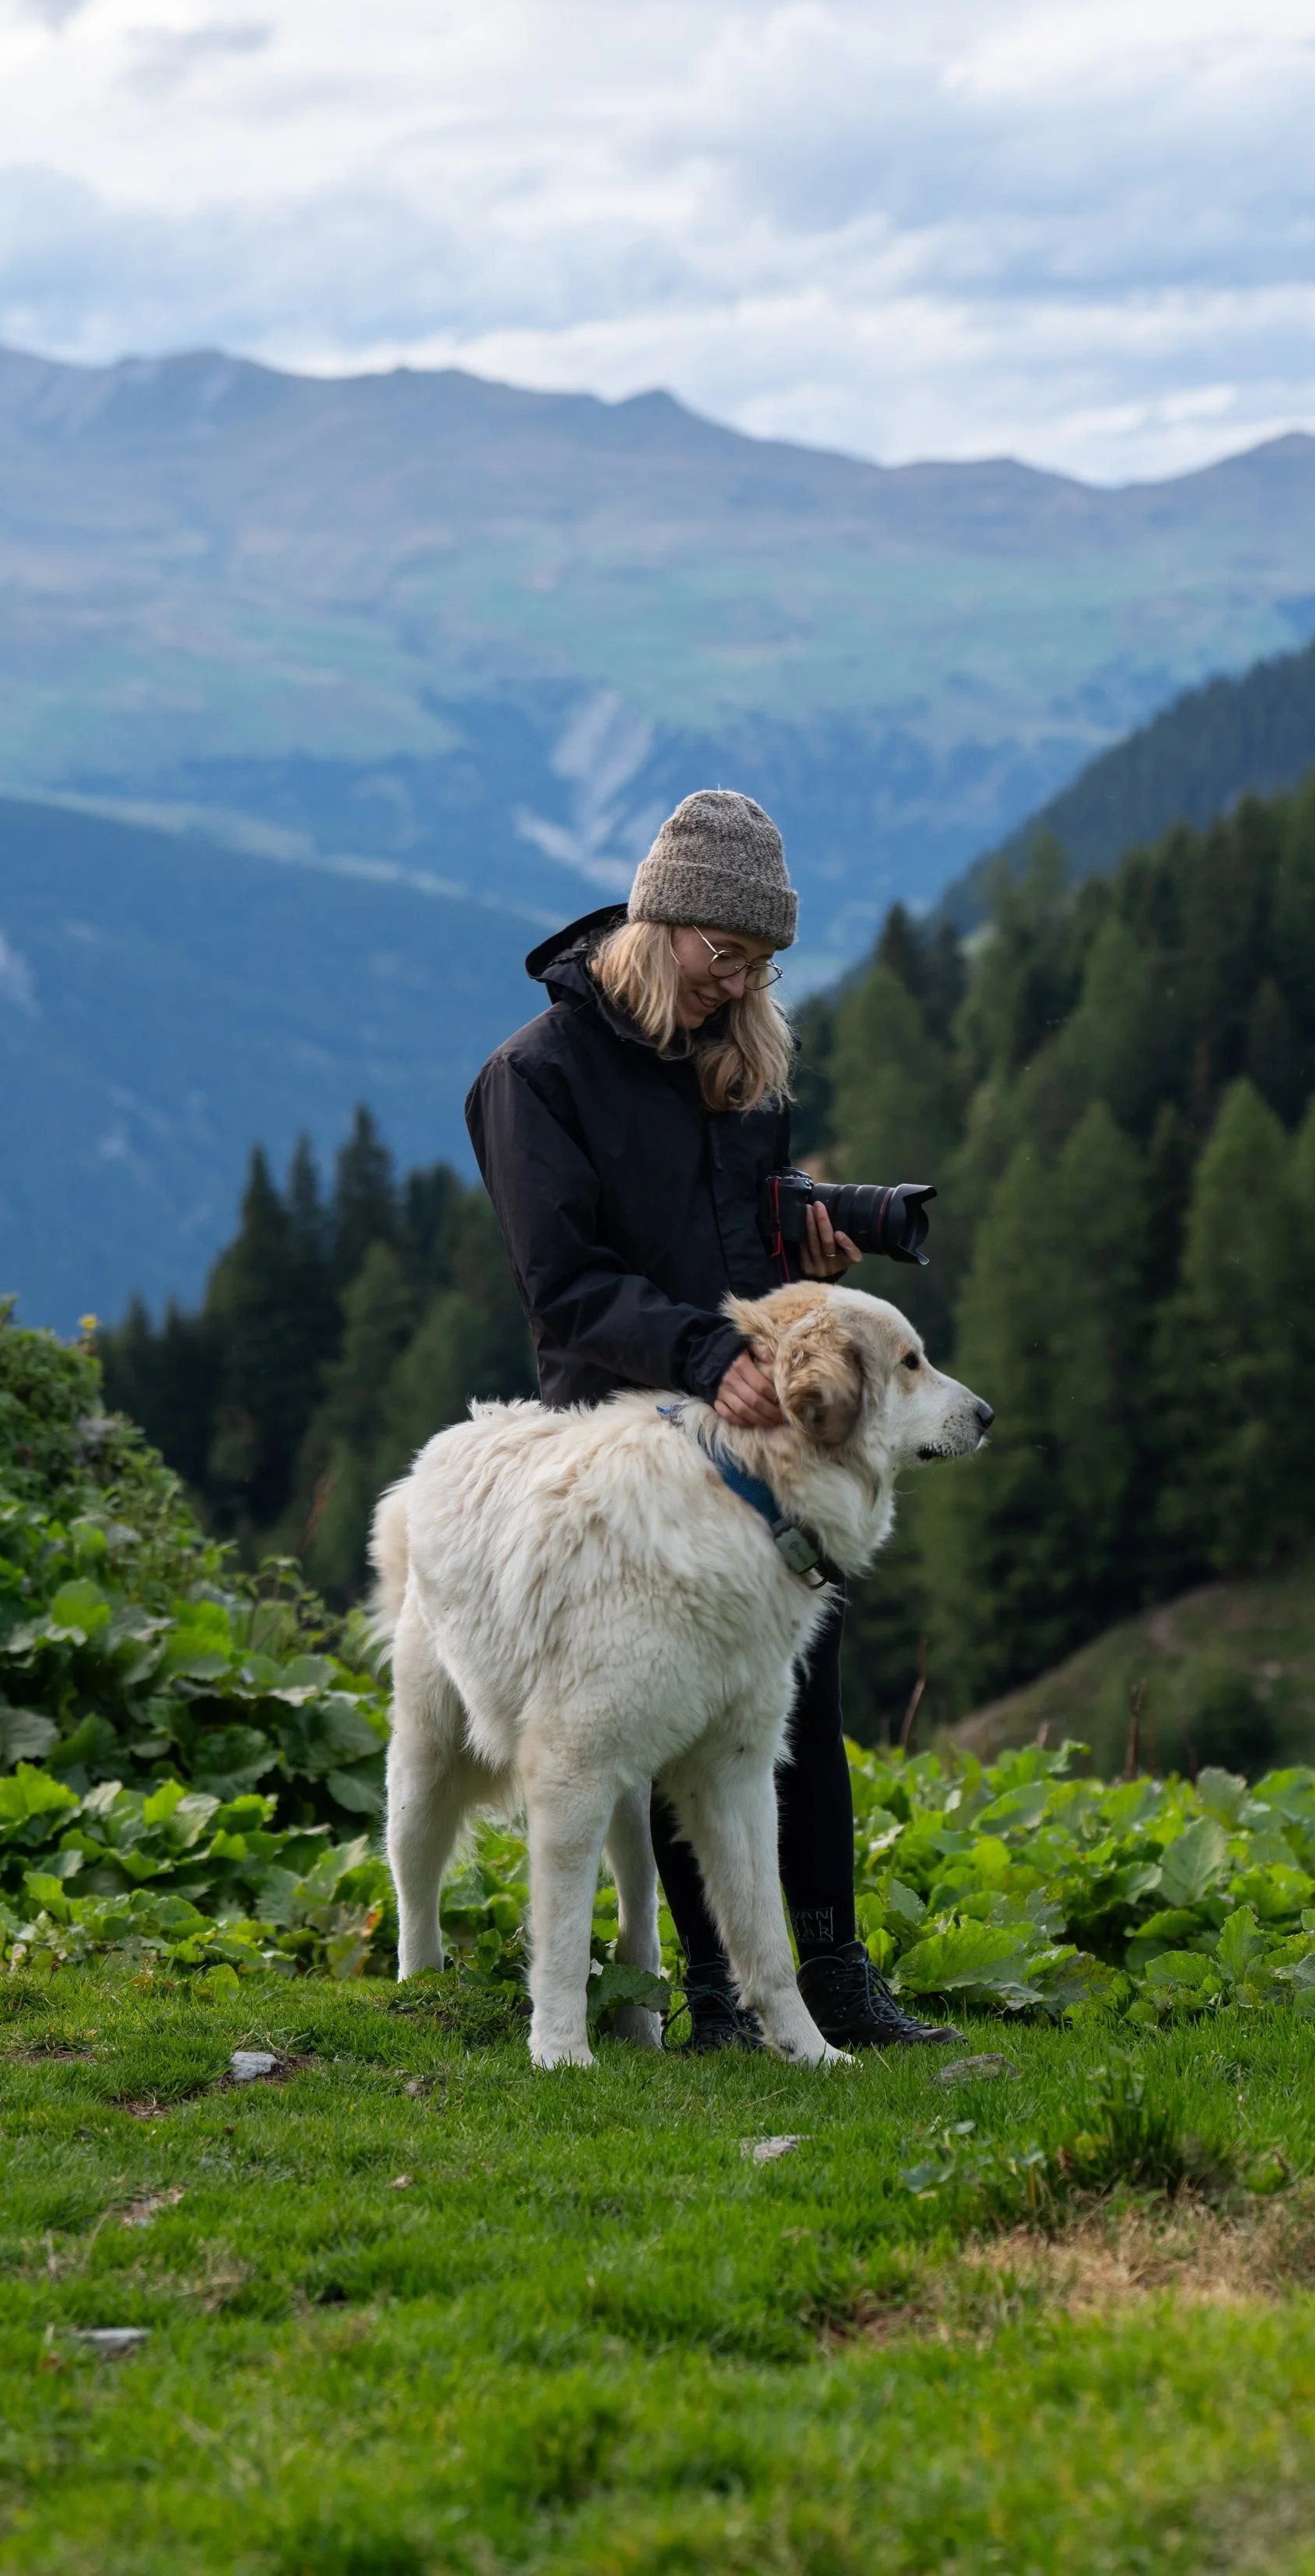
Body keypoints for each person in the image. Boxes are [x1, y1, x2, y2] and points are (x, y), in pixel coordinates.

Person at [464, 788, 961, 2052]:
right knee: (664, 1721)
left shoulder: (740, 1056)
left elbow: (734, 1238)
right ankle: (714, 1997)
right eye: (721, 954)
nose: (737, 984)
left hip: (764, 1433)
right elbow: (564, 1286)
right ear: (658, 922)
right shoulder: (534, 1077)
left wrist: (804, 1245)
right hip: (624, 1452)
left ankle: (832, 1975)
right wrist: (702, 1352)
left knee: (789, 1710)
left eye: (759, 964)